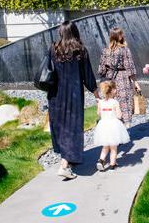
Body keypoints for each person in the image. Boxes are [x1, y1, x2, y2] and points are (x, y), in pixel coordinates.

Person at [48, 21, 99, 179]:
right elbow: (88, 76)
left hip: (55, 95)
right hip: (73, 95)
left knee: (60, 127)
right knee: (72, 127)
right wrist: (97, 94)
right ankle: (65, 164)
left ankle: (68, 158)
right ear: (75, 32)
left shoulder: (53, 49)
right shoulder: (80, 51)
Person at [98, 27, 141, 127]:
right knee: (125, 103)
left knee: (113, 103)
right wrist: (136, 83)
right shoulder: (124, 50)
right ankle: (126, 128)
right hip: (123, 79)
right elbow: (130, 68)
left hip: (110, 81)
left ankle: (115, 130)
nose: (124, 36)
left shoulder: (105, 50)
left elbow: (101, 70)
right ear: (119, 36)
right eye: (122, 34)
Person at [94, 80, 130, 171]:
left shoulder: (101, 102)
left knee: (105, 146)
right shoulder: (115, 102)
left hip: (103, 126)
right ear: (113, 90)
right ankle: (112, 165)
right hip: (113, 126)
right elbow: (119, 115)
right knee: (113, 147)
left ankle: (101, 161)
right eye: (115, 88)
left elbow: (98, 113)